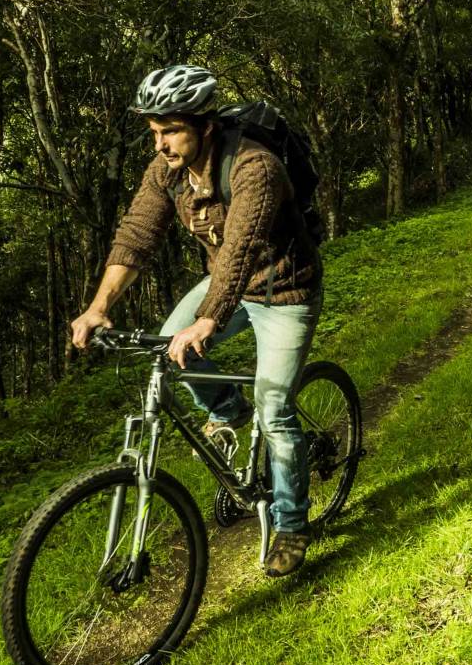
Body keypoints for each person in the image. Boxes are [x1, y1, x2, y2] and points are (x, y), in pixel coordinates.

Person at [69, 63, 323, 577]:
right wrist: (100, 307)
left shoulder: (255, 166)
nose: (160, 144)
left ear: (204, 125)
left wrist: (208, 321)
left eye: (170, 131)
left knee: (275, 408)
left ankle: (292, 523)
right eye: (154, 132)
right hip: (225, 285)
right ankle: (229, 412)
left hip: (284, 290)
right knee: (170, 350)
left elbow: (241, 249)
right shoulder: (167, 170)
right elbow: (137, 235)